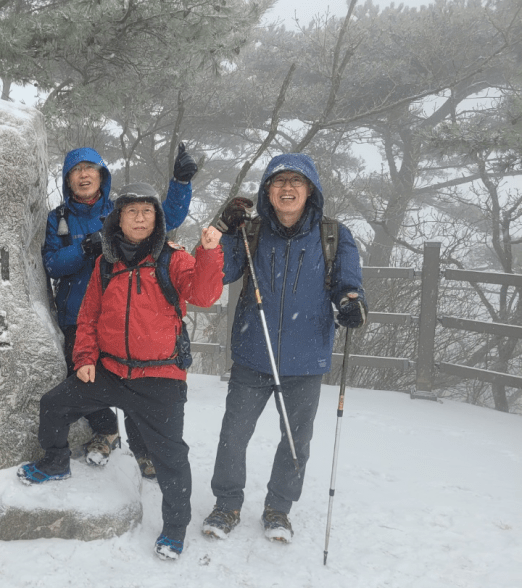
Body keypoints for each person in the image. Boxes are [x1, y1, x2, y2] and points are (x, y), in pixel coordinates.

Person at [20, 182, 224, 560]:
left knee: (171, 459)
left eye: (147, 211)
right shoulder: (106, 263)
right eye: (132, 211)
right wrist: (84, 359)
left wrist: (209, 252)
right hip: (110, 371)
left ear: (157, 219)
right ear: (119, 219)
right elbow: (89, 317)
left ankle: (175, 528)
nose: (140, 218)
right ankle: (55, 461)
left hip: (159, 378)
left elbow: (204, 294)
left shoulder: (172, 259)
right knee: (54, 404)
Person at [202, 153, 366, 544]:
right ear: (267, 191)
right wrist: (225, 229)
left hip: (306, 359)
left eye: (296, 181)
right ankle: (226, 505)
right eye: (279, 181)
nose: (287, 188)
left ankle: (278, 509)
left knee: (295, 441)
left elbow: (348, 283)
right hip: (253, 354)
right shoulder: (251, 232)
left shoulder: (334, 234)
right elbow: (219, 273)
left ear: (311, 190)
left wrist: (352, 302)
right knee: (233, 436)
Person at [42, 144, 199, 477]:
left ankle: (143, 452)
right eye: (76, 170)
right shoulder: (58, 219)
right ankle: (106, 430)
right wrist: (86, 247)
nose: (84, 175)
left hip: (128, 316)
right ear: (67, 179)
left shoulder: (121, 209)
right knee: (80, 377)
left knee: (133, 379)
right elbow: (53, 264)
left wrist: (181, 184)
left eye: (90, 169)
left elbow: (167, 217)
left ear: (102, 176)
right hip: (78, 316)